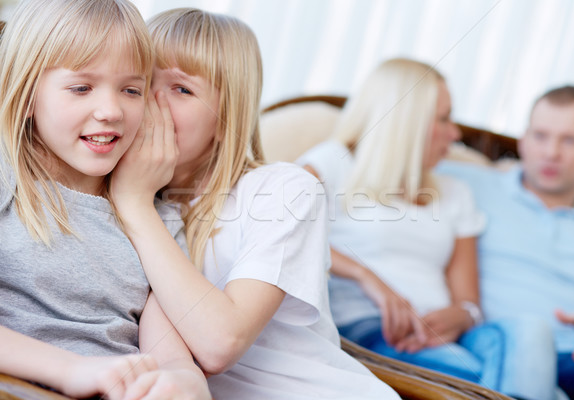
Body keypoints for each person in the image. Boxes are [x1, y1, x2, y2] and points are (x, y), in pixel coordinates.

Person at [107, 7, 400, 400]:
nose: (152, 105)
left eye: (182, 89)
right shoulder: (108, 189)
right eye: (140, 83)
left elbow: (219, 344)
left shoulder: (284, 191)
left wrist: (136, 203)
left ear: (226, 115)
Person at [296, 58, 558, 399]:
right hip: (377, 330)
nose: (456, 133)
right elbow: (283, 234)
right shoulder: (331, 163)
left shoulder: (455, 192)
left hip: (449, 337)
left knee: (532, 331)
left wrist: (460, 316)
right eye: (444, 118)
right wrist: (368, 277)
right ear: (408, 122)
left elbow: (469, 301)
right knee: (503, 380)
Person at [0, 1, 209, 399]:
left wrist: (184, 381)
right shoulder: (7, 175)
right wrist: (71, 369)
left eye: (131, 90)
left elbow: (171, 357)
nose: (111, 110)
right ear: (26, 94)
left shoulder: (156, 218)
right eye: (81, 87)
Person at [438, 85, 574, 400]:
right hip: (496, 345)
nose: (552, 152)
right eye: (541, 136)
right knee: (528, 335)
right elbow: (384, 167)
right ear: (523, 141)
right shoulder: (464, 184)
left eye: (570, 140)